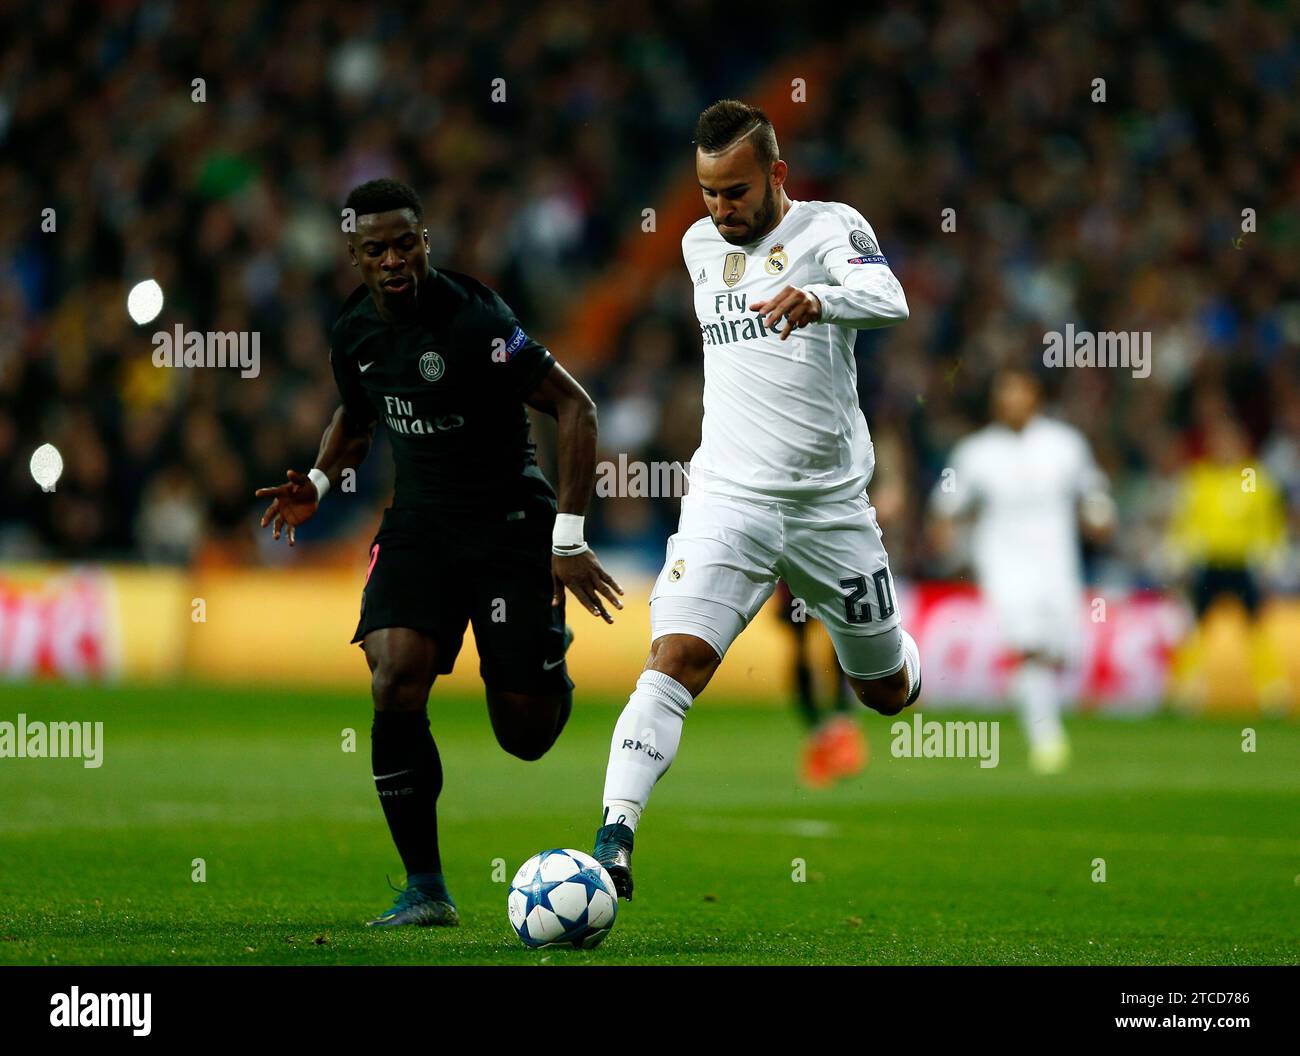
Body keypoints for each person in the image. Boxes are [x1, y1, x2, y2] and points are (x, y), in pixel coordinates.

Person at [255, 179, 622, 926]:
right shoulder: (354, 332)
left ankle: (543, 652)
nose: (393, 260)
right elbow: (357, 419)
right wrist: (321, 482)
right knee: (394, 677)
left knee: (524, 735)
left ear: (425, 242)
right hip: (420, 525)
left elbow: (573, 405)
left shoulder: (479, 317)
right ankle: (426, 888)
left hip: (510, 522)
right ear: (353, 256)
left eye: (405, 243)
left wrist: (570, 538)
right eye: (375, 249)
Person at [591, 101, 920, 900]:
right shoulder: (697, 245)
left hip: (829, 507)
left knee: (882, 692)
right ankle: (613, 837)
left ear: (776, 174)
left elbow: (892, 299)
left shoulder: (829, 227)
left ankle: (903, 658)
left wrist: (819, 298)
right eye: (708, 192)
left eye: (736, 191)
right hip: (728, 498)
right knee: (675, 661)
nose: (721, 209)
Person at [929, 367, 1114, 774]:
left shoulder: (1065, 444)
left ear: (1036, 396)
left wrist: (1101, 516)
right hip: (1004, 565)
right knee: (1026, 648)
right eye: (1005, 392)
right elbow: (946, 504)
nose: (1012, 400)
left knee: (1061, 653)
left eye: (1020, 391)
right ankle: (1046, 740)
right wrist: (943, 531)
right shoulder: (975, 452)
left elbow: (1093, 491)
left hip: (1058, 563)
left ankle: (1042, 714)